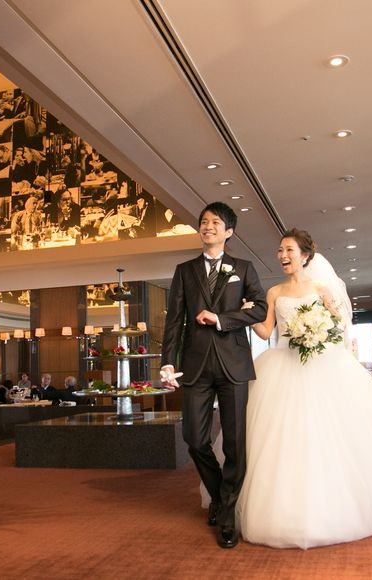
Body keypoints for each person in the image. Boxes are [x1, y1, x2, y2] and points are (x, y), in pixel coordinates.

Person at [236, 229, 372, 549]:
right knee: (286, 436)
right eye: (280, 250)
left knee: (331, 432)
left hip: (322, 366)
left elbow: (339, 325)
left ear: (304, 255)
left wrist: (318, 331)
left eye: (289, 250)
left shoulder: (321, 289)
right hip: (283, 364)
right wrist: (248, 314)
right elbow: (265, 332)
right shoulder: (274, 292)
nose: (282, 256)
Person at [161, 201, 267, 549]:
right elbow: (174, 320)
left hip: (233, 364)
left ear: (229, 232)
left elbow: (261, 309)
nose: (208, 226)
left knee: (235, 443)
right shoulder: (185, 270)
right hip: (195, 366)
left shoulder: (244, 268)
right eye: (204, 221)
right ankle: (221, 495)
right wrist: (167, 362)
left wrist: (222, 319)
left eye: (216, 222)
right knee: (194, 438)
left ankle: (228, 514)